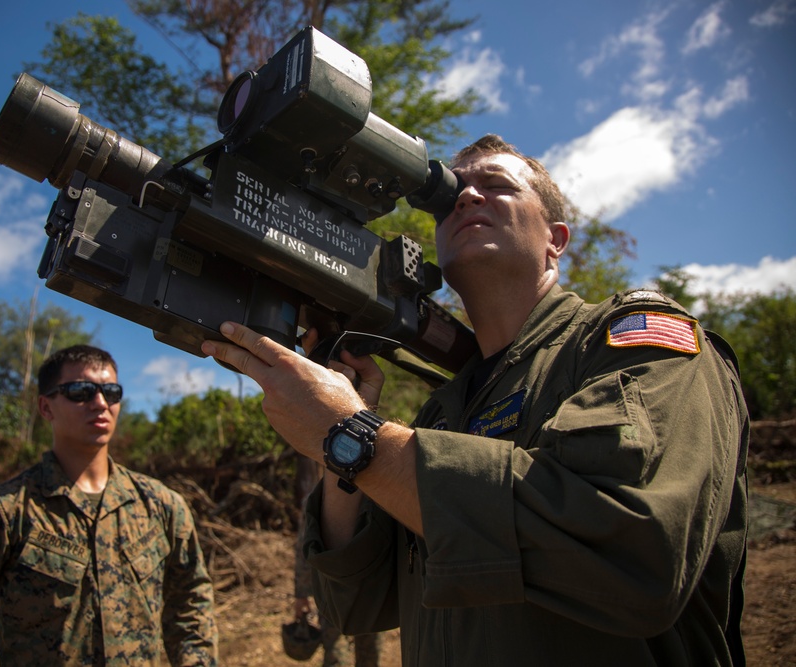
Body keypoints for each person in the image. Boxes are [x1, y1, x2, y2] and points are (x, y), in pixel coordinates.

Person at [200, 135, 749, 665]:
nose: (465, 196)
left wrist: (355, 436)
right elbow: (358, 601)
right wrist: (341, 452)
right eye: (451, 194)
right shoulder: (444, 410)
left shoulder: (630, 344)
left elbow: (635, 556)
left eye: (498, 185)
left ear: (555, 239)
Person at [0, 344, 218, 666]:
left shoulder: (160, 505)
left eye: (111, 392)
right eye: (80, 391)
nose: (100, 403)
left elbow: (191, 602)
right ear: (46, 407)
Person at [290, 455, 381, 667]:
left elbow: (306, 548)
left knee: (336, 648)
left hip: (335, 586)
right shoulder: (377, 492)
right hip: (369, 586)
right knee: (367, 651)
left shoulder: (319, 496)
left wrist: (301, 594)